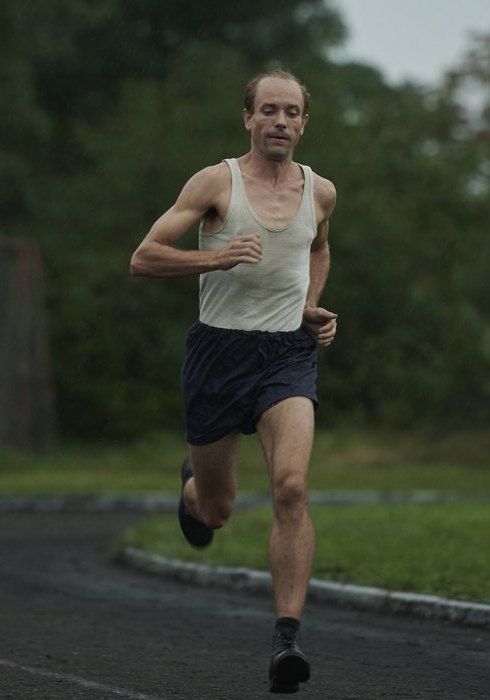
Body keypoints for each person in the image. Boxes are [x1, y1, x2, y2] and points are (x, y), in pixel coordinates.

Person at [130, 69, 337, 694]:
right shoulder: (215, 182)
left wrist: (307, 305)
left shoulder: (320, 192)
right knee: (217, 512)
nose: (279, 121)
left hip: (286, 356)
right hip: (218, 355)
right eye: (268, 110)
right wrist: (215, 255)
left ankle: (286, 640)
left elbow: (319, 248)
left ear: (304, 123)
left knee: (293, 487)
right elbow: (143, 257)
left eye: (291, 112)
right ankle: (192, 490)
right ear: (247, 117)